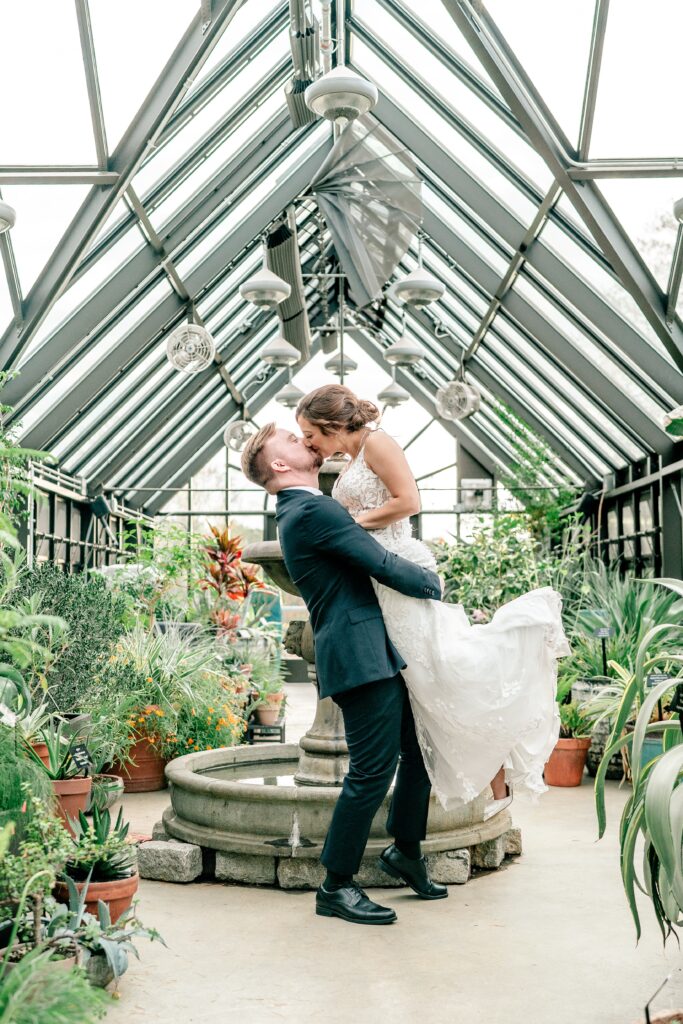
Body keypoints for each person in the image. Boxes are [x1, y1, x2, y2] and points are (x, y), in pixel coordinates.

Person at [296, 384, 570, 817]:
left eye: (309, 433)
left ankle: (498, 781)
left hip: (399, 563)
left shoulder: (378, 443)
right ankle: (485, 780)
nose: (308, 442)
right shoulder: (351, 459)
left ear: (330, 423)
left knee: (444, 671)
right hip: (379, 573)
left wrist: (350, 526)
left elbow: (409, 502)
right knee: (432, 682)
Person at [240, 423, 447, 926]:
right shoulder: (311, 508)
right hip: (357, 655)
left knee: (417, 749)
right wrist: (432, 583)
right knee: (372, 771)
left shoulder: (301, 510)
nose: (304, 441)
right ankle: (335, 884)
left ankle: (407, 851)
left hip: (372, 648)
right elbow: (378, 561)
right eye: (291, 440)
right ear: (280, 466)